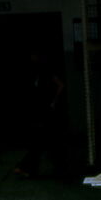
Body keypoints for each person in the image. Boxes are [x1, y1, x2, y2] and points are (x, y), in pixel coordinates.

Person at [13, 51, 66, 179]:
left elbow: (60, 85)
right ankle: (31, 168)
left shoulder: (45, 72)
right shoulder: (36, 73)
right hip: (41, 109)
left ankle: (28, 167)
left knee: (42, 140)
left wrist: (53, 101)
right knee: (43, 140)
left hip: (45, 109)